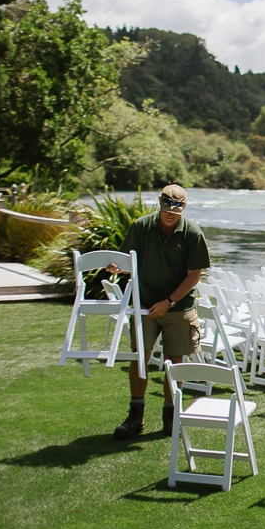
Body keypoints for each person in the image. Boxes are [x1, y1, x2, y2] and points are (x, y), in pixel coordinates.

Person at [108, 185, 212, 440]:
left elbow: (194, 276)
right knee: (139, 358)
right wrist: (116, 267)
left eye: (176, 209)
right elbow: (126, 261)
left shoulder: (192, 234)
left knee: (174, 361)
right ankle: (135, 415)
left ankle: (171, 414)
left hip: (178, 306)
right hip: (144, 304)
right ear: (159, 203)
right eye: (167, 207)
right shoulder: (141, 226)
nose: (170, 213)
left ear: (184, 208)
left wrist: (169, 301)